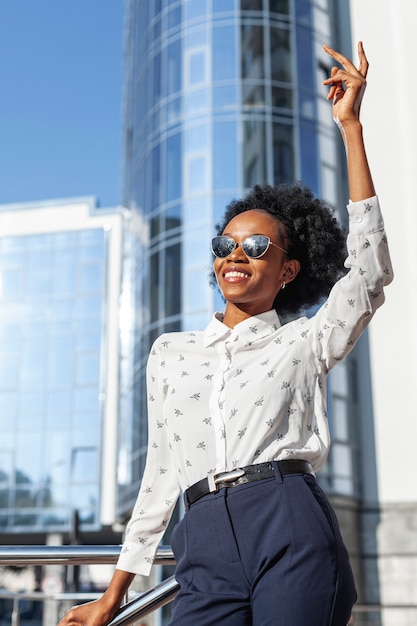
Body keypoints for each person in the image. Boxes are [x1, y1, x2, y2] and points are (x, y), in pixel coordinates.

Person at [59, 42, 392, 626]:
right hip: (202, 537)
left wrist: (351, 128)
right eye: (225, 246)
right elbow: (160, 475)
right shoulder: (171, 353)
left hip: (287, 518)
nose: (236, 255)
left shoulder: (303, 341)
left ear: (287, 270)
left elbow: (369, 273)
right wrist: (114, 597)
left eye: (257, 247)